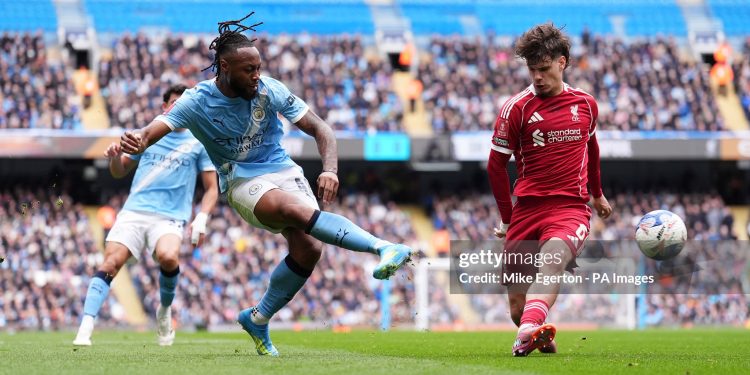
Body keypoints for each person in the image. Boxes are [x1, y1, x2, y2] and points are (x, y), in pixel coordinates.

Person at [118, 13, 413, 356]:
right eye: (249, 70)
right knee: (293, 209)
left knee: (309, 249)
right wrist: (137, 139)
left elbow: (322, 129)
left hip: (282, 170)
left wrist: (330, 170)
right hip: (241, 179)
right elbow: (153, 130)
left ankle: (258, 318)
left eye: (259, 68)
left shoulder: (269, 90)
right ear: (224, 67)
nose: (257, 75)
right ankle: (383, 248)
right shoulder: (196, 101)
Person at [486, 23, 613, 356]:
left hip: (570, 208)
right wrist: (507, 218)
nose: (537, 77)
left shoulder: (586, 105)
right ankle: (533, 328)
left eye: (543, 69)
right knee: (516, 305)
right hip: (527, 210)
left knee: (553, 259)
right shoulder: (516, 108)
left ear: (563, 62)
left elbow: (593, 149)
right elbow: (495, 165)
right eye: (532, 70)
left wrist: (597, 194)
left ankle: (527, 330)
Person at [73, 84, 219, 346]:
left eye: (184, 103)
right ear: (165, 107)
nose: (179, 108)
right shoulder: (148, 135)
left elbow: (211, 189)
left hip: (170, 217)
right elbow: (119, 171)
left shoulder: (199, 143)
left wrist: (203, 217)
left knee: (168, 256)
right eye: (174, 103)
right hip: (134, 212)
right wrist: (115, 157)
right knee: (110, 262)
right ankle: (86, 326)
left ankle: (164, 310)